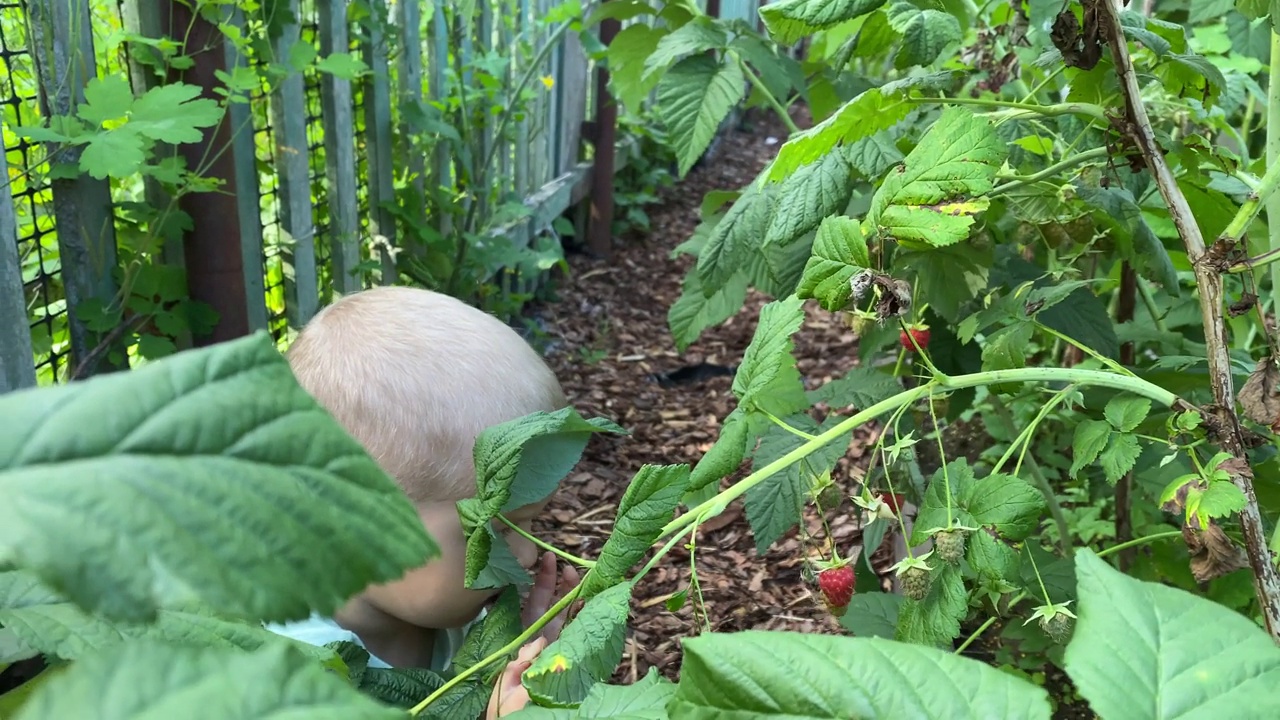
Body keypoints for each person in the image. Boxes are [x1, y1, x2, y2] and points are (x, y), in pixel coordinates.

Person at [267, 286, 579, 718]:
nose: (528, 553)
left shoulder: (444, 613)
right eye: (497, 528)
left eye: (529, 525)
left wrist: (510, 656)